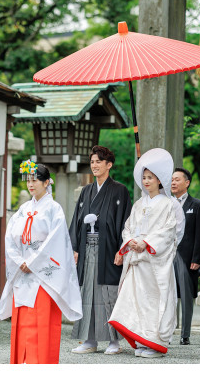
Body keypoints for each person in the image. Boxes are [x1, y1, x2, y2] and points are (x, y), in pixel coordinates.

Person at [0, 160, 82, 364]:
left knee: (42, 318)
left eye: (35, 179)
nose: (31, 184)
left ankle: (41, 360)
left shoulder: (54, 209)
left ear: (47, 183)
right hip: (23, 270)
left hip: (43, 273)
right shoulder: (23, 209)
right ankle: (23, 359)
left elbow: (56, 240)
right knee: (24, 316)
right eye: (28, 179)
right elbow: (10, 237)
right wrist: (19, 261)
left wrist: (33, 262)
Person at [108, 148, 185, 358]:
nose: (146, 181)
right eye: (144, 177)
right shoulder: (139, 204)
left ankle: (155, 342)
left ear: (160, 180)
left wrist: (146, 242)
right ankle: (142, 339)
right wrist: (130, 241)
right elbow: (128, 227)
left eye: (150, 177)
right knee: (137, 300)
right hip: (137, 259)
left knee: (154, 300)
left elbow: (170, 232)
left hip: (154, 260)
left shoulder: (169, 204)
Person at [69, 145, 131, 355]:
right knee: (88, 293)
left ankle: (114, 341)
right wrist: (75, 248)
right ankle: (89, 339)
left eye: (98, 161)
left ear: (109, 165)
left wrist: (121, 250)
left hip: (109, 250)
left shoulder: (119, 190)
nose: (94, 165)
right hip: (87, 250)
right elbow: (76, 222)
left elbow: (126, 223)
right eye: (92, 161)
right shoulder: (86, 191)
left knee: (108, 294)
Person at [171, 167, 200, 345]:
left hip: (187, 258)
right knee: (167, 294)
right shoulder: (166, 203)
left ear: (187, 183)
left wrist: (197, 259)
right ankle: (167, 331)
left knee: (186, 296)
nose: (173, 182)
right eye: (171, 179)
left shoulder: (197, 205)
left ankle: (185, 334)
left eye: (177, 179)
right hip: (167, 255)